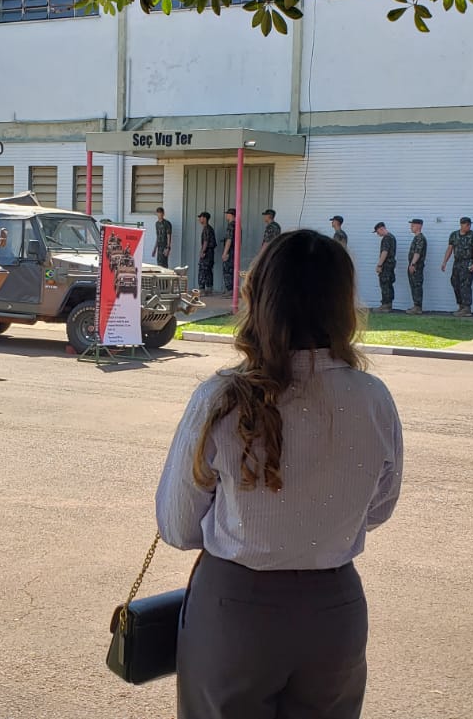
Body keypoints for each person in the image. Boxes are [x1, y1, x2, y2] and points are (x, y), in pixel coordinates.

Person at [156, 229, 403, 719]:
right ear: (342, 305)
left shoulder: (220, 399)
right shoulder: (374, 398)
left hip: (236, 609)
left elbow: (177, 526)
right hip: (335, 610)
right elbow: (378, 509)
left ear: (259, 299)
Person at [441, 216, 473, 316]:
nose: (468, 227)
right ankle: (461, 306)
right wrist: (445, 262)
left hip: (468, 262)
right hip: (457, 262)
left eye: (469, 225)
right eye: (466, 225)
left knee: (465, 285)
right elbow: (450, 249)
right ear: (461, 225)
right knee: (455, 283)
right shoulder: (454, 235)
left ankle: (467, 308)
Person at [373, 222, 397, 312]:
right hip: (390, 265)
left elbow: (385, 252)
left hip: (386, 266)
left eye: (377, 231)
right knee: (389, 284)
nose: (377, 233)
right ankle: (388, 305)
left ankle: (385, 305)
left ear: (381, 229)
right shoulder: (392, 237)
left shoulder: (386, 238)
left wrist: (379, 265)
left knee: (385, 284)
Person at [407, 219, 427, 314]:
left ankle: (418, 307)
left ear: (419, 226)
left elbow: (417, 252)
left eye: (413, 225)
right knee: (413, 285)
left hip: (416, 267)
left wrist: (413, 264)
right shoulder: (416, 238)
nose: (411, 227)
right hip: (414, 266)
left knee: (416, 286)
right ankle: (416, 305)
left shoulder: (420, 238)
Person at [197, 211, 216, 294]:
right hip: (210, 253)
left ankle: (202, 290)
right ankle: (209, 289)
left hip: (207, 252)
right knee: (208, 271)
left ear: (204, 218)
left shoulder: (206, 229)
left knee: (203, 270)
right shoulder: (209, 228)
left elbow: (206, 241)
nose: (199, 219)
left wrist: (202, 251)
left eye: (201, 217)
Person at [222, 208, 238, 296]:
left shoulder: (231, 225)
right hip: (235, 251)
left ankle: (230, 290)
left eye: (227, 214)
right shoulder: (237, 225)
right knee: (232, 270)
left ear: (231, 215)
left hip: (230, 251)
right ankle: (232, 289)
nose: (226, 215)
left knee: (227, 270)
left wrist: (225, 252)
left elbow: (229, 239)